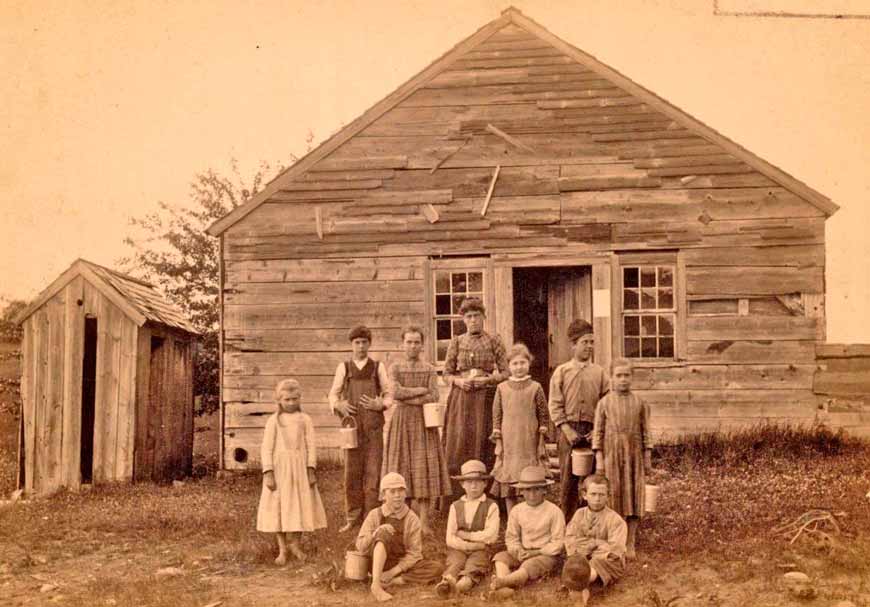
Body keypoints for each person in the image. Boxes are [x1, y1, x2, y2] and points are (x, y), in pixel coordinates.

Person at [382, 325, 451, 536]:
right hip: (401, 421)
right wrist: (420, 391)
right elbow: (395, 392)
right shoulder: (394, 367)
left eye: (416, 342)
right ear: (402, 344)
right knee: (401, 465)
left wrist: (410, 395)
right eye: (409, 342)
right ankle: (401, 517)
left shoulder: (429, 368)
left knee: (424, 468)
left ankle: (424, 521)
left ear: (422, 345)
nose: (413, 346)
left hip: (424, 421)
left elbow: (434, 396)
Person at [329, 325, 393, 532]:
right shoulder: (344, 368)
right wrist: (338, 405)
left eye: (364, 342)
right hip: (352, 428)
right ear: (351, 345)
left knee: (373, 472)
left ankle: (371, 517)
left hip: (373, 427)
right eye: (357, 342)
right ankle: (352, 517)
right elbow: (333, 394)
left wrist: (380, 404)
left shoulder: (377, 367)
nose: (361, 346)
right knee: (352, 473)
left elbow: (389, 394)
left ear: (369, 344)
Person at [256, 379, 327, 564]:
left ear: (300, 398)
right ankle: (282, 548)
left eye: (295, 399)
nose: (291, 403)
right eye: (287, 399)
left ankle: (295, 543)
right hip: (279, 470)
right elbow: (266, 448)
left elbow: (311, 445)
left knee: (299, 504)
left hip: (299, 470)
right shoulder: (273, 421)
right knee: (278, 506)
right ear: (279, 400)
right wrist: (268, 471)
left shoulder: (305, 419)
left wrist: (311, 468)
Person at [442, 297, 508, 496]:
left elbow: (506, 373)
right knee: (459, 442)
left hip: (486, 399)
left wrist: (487, 380)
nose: (473, 320)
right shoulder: (457, 341)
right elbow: (446, 374)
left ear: (484, 317)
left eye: (477, 316)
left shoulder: (494, 340)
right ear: (463, 319)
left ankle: (486, 495)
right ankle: (455, 495)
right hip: (461, 400)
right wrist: (460, 382)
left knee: (483, 440)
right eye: (469, 317)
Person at [548, 319, 610, 522]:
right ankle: (566, 522)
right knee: (568, 479)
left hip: (593, 430)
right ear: (573, 345)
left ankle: (591, 521)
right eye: (585, 342)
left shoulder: (599, 373)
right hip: (569, 430)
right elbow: (555, 404)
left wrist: (598, 430)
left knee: (592, 478)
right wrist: (566, 429)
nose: (589, 346)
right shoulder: (562, 372)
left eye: (592, 342)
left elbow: (606, 403)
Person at [592, 358, 652, 559]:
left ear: (632, 377)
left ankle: (630, 541)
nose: (623, 379)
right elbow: (597, 434)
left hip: (634, 455)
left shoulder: (640, 403)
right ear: (612, 378)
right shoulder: (604, 403)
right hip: (611, 455)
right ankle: (615, 540)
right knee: (613, 495)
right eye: (619, 375)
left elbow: (646, 432)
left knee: (633, 495)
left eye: (627, 375)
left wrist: (647, 456)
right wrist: (599, 459)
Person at [355, 473, 444, 602]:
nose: (397, 495)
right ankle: (376, 585)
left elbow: (414, 553)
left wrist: (392, 572)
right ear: (384, 495)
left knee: (437, 568)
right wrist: (376, 533)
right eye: (392, 491)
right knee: (383, 533)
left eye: (401, 490)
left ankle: (392, 581)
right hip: (375, 562)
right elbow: (360, 546)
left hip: (398, 564)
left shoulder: (412, 518)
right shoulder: (375, 514)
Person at [490, 343, 549, 515]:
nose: (519, 367)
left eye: (522, 362)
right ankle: (513, 518)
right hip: (509, 442)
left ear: (529, 363)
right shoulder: (501, 388)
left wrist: (541, 438)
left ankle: (532, 516)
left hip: (529, 440)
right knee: (509, 479)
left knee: (530, 477)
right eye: (515, 363)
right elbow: (497, 416)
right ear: (509, 366)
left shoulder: (535, 387)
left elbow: (543, 414)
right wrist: (498, 442)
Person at [490, 465, 565, 598]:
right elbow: (512, 537)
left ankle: (504, 582)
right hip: (523, 551)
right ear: (522, 491)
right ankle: (505, 586)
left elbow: (558, 542)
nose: (532, 494)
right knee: (501, 558)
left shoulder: (554, 511)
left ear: (544, 490)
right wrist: (517, 550)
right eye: (528, 490)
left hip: (544, 554)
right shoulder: (517, 510)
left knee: (529, 565)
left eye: (536, 489)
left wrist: (537, 552)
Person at [435, 459, 500, 599]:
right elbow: (450, 537)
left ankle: (462, 584)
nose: (474, 485)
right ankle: (446, 583)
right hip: (460, 548)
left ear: (485, 483)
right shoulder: (456, 506)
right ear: (462, 484)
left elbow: (491, 535)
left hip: (481, 549)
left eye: (478, 481)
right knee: (455, 562)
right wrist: (466, 545)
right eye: (469, 481)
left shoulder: (491, 506)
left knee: (474, 565)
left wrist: (467, 536)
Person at [561, 475, 627, 606]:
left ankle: (578, 581)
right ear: (584, 495)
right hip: (582, 557)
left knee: (595, 562)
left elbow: (615, 550)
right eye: (593, 494)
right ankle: (580, 590)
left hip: (607, 561)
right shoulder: (579, 514)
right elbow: (570, 538)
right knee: (577, 561)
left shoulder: (615, 520)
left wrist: (594, 545)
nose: (597, 499)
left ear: (608, 496)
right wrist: (595, 545)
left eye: (602, 495)